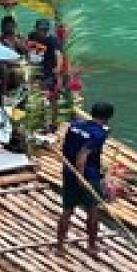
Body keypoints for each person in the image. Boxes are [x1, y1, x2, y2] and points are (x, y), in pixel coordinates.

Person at [55, 101, 115, 257]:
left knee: (67, 209)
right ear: (108, 117)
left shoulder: (75, 125)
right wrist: (81, 176)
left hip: (68, 171)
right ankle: (92, 246)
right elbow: (83, 154)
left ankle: (60, 246)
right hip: (87, 175)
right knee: (93, 210)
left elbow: (66, 143)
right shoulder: (98, 133)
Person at [26, 18, 64, 93]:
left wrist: (58, 68)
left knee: (45, 86)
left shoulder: (53, 40)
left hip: (48, 69)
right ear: (36, 29)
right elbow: (28, 47)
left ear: (48, 29)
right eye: (41, 29)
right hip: (35, 66)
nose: (43, 32)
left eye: (45, 30)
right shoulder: (32, 36)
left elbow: (59, 54)